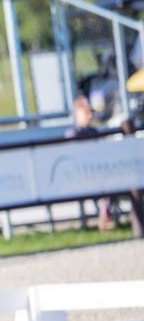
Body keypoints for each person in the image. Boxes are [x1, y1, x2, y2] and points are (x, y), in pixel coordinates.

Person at [65, 95, 114, 231]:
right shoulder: (72, 133)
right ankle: (105, 219)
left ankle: (105, 218)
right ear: (77, 113)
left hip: (96, 173)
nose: (90, 115)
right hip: (80, 174)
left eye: (90, 111)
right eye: (86, 111)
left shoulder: (94, 131)